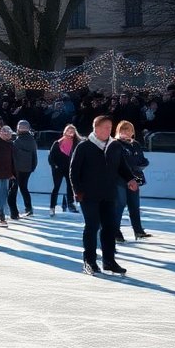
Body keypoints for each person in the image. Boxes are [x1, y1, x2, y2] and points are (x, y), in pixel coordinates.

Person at [70, 115, 139, 276]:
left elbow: (122, 165)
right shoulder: (84, 147)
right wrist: (77, 191)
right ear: (96, 128)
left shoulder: (114, 146)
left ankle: (109, 261)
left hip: (109, 194)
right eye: (106, 127)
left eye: (110, 127)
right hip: (88, 195)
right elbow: (74, 171)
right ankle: (90, 261)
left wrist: (130, 179)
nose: (109, 130)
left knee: (110, 228)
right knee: (92, 226)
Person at [111, 120, 151, 241]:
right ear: (118, 131)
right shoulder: (115, 144)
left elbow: (141, 159)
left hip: (135, 178)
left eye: (128, 129)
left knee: (134, 205)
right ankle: (115, 231)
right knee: (120, 204)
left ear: (132, 132)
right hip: (120, 179)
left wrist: (144, 163)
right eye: (123, 129)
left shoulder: (136, 144)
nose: (126, 132)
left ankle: (138, 230)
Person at [48, 124, 80, 215]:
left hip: (69, 168)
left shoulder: (76, 144)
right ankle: (52, 207)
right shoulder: (57, 143)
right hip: (58, 169)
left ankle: (71, 204)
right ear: (65, 131)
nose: (70, 133)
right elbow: (51, 157)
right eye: (68, 130)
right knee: (56, 187)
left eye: (72, 131)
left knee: (70, 186)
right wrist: (54, 166)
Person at [8, 120, 38, 218]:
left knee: (15, 188)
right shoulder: (31, 140)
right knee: (24, 188)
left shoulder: (17, 141)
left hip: (17, 169)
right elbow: (34, 155)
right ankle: (28, 208)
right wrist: (32, 167)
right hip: (27, 168)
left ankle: (15, 210)